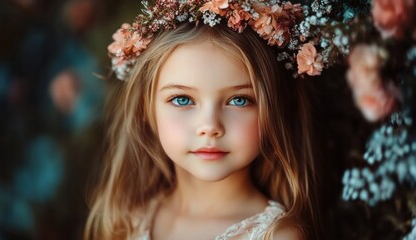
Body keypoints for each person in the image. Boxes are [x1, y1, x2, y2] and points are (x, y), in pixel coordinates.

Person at [85, 0, 319, 239]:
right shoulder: (129, 220)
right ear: (146, 109)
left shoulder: (277, 236)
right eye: (183, 100)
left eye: (239, 100)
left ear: (273, 109)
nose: (209, 127)